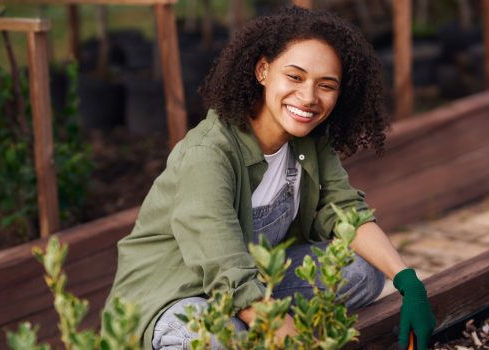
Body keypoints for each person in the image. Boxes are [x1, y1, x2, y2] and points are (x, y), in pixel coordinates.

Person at [104, 6, 435, 350]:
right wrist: (285, 332)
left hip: (249, 285)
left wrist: (409, 281)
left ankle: (249, 325)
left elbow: (344, 210)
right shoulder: (210, 154)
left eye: (326, 85)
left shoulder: (310, 141)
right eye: (294, 77)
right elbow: (224, 266)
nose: (308, 97)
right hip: (177, 295)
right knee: (217, 337)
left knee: (361, 270)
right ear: (263, 71)